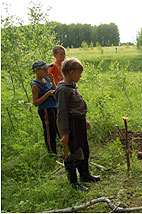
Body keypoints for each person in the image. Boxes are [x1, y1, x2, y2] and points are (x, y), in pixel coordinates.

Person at [55, 58, 100, 191]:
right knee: (73, 153)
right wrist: (65, 133)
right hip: (71, 125)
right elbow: (62, 113)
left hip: (79, 122)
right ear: (71, 72)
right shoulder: (63, 90)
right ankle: (74, 182)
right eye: (79, 74)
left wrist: (83, 120)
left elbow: (76, 106)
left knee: (84, 149)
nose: (80, 76)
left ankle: (85, 175)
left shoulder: (72, 86)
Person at [31, 60, 59, 154]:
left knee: (57, 128)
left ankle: (61, 149)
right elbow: (35, 103)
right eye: (44, 70)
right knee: (49, 131)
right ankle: (52, 153)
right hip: (46, 110)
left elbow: (55, 90)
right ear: (37, 70)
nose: (47, 72)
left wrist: (52, 81)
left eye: (47, 70)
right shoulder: (35, 85)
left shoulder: (46, 79)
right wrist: (47, 94)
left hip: (54, 107)